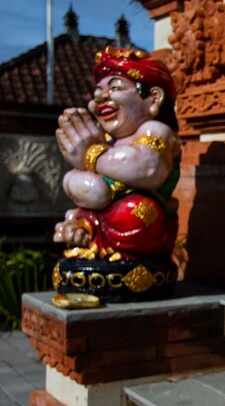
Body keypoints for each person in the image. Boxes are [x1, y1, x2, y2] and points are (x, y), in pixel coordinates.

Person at [53, 46, 181, 261]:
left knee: (136, 210)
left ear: (153, 99)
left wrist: (91, 154)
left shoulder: (155, 130)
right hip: (105, 215)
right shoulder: (108, 141)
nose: (101, 98)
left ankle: (98, 240)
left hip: (140, 224)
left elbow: (147, 168)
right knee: (82, 211)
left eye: (115, 88)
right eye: (97, 93)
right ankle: (84, 233)